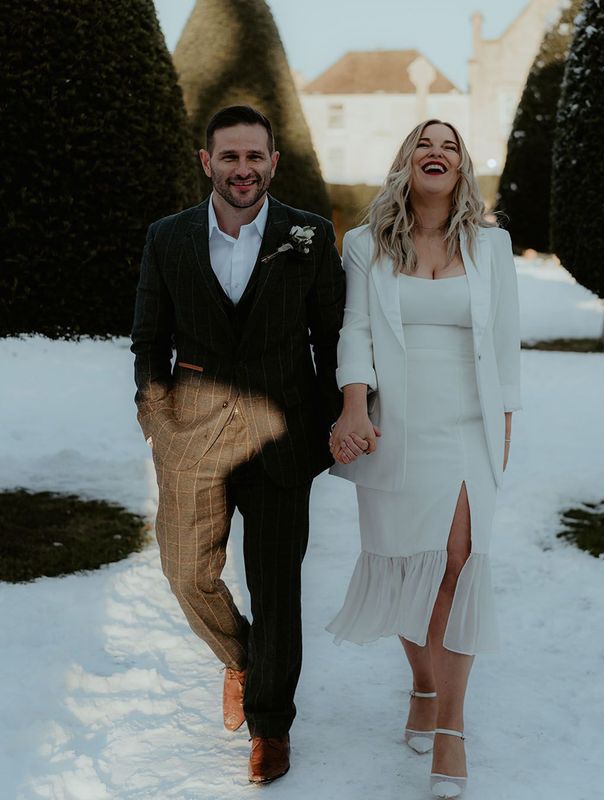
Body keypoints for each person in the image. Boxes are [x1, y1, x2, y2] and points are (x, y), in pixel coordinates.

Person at [131, 105, 345, 785]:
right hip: (192, 435)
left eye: (255, 157)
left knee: (276, 588)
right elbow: (149, 341)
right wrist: (155, 416)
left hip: (283, 435)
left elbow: (334, 336)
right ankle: (245, 660)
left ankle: (271, 727)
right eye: (230, 157)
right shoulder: (167, 238)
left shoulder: (308, 234)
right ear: (207, 162)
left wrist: (343, 415)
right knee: (185, 572)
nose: (243, 169)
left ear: (273, 163)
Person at [326, 119, 521, 799]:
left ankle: (452, 730)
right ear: (405, 161)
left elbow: (504, 347)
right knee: (410, 568)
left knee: (457, 567)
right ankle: (422, 683)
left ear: (462, 166)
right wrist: (354, 407)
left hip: (467, 427)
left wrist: (503, 427)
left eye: (448, 145)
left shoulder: (492, 247)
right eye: (422, 143)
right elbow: (353, 329)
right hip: (394, 425)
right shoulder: (363, 244)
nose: (435, 152)